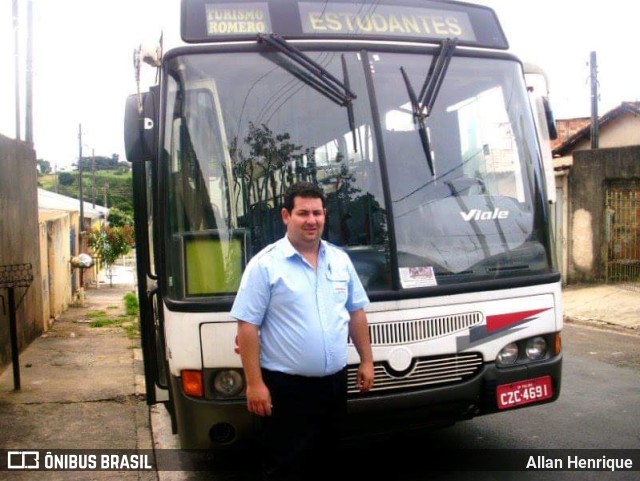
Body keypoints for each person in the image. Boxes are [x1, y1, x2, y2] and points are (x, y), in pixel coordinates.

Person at [231, 181, 374, 481]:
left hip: (334, 384)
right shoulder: (265, 265)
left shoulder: (340, 260)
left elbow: (356, 312)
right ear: (286, 215)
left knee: (327, 459)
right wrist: (254, 384)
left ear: (325, 216)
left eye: (318, 213)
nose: (312, 220)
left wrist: (367, 361)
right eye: (303, 213)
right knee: (285, 464)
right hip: (285, 388)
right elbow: (247, 327)